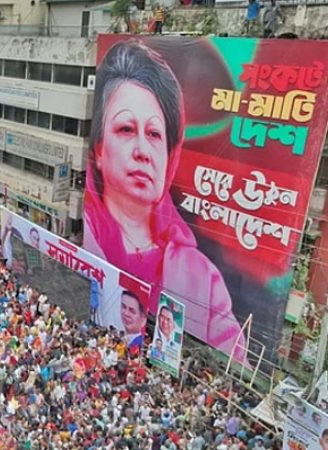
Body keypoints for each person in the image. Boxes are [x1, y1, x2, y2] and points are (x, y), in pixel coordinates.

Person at [83, 40, 245, 360]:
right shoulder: (88, 237)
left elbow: (231, 365)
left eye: (155, 134)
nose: (143, 151)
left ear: (170, 155)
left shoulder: (203, 278)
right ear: (99, 149)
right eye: (127, 129)